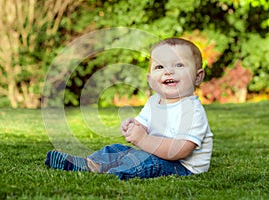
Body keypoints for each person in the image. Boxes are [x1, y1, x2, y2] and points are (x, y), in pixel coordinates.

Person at [45, 37, 213, 180]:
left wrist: (142, 140)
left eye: (179, 65)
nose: (168, 71)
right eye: (160, 67)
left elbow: (180, 151)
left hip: (181, 167)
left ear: (198, 77)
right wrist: (133, 126)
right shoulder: (154, 101)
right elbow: (143, 124)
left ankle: (109, 172)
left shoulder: (192, 110)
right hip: (154, 153)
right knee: (117, 149)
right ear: (150, 80)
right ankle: (88, 163)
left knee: (142, 159)